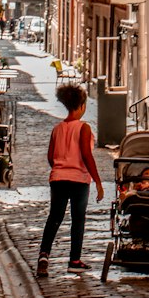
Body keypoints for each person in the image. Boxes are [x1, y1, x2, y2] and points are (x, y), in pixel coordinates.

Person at [36, 83, 103, 275]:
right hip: (79, 180)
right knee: (78, 219)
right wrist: (97, 181)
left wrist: (60, 168)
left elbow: (50, 156)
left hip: (58, 177)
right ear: (81, 105)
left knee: (54, 217)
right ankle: (74, 259)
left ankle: (43, 255)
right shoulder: (84, 128)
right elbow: (86, 155)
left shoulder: (57, 128)